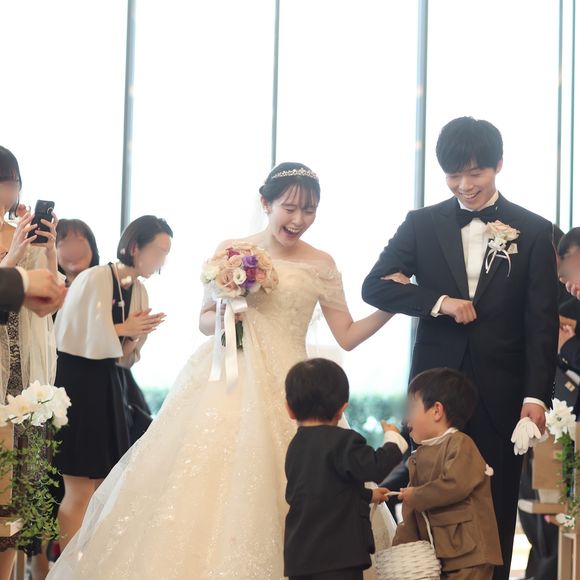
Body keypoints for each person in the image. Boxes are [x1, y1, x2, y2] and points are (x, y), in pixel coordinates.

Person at [48, 162, 407, 579]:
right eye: (290, 208)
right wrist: (225, 309)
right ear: (266, 203)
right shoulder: (231, 251)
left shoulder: (321, 263)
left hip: (296, 389)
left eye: (309, 210)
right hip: (227, 380)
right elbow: (203, 321)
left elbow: (346, 334)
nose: (299, 219)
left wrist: (391, 307)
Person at [362, 117, 558, 579]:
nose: (465, 186)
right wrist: (440, 302)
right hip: (435, 397)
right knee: (430, 505)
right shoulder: (421, 224)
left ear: (499, 165)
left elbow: (541, 322)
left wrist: (536, 396)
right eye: (454, 175)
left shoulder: (533, 230)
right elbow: (375, 286)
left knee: (496, 508)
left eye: (476, 174)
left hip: (503, 394)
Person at [53, 215, 171, 551]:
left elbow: (123, 355)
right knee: (78, 489)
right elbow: (71, 336)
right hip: (78, 387)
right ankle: (66, 569)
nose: (161, 261)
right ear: (134, 247)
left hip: (111, 386)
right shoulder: (95, 278)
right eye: (158, 251)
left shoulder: (140, 290)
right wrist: (124, 329)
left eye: (165, 254)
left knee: (104, 488)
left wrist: (134, 335)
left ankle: (89, 562)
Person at [283, 358, 407, 580]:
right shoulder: (343, 441)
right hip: (338, 556)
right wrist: (393, 439)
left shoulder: (295, 446)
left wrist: (369, 495)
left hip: (301, 558)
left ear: (290, 410)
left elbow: (324, 490)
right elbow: (376, 467)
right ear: (342, 410)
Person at [0, 145, 62, 579]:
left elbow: (50, 295)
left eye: (13, 182)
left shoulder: (22, 233)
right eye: (4, 181)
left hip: (23, 373)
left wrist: (49, 249)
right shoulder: (15, 242)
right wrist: (14, 257)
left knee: (15, 499)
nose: (8, 191)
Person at [394, 368, 502, 579]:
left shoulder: (461, 444)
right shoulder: (419, 457)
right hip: (443, 555)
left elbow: (455, 485)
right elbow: (412, 512)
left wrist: (415, 495)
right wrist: (401, 546)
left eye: (411, 408)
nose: (406, 419)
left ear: (436, 411)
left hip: (471, 553)